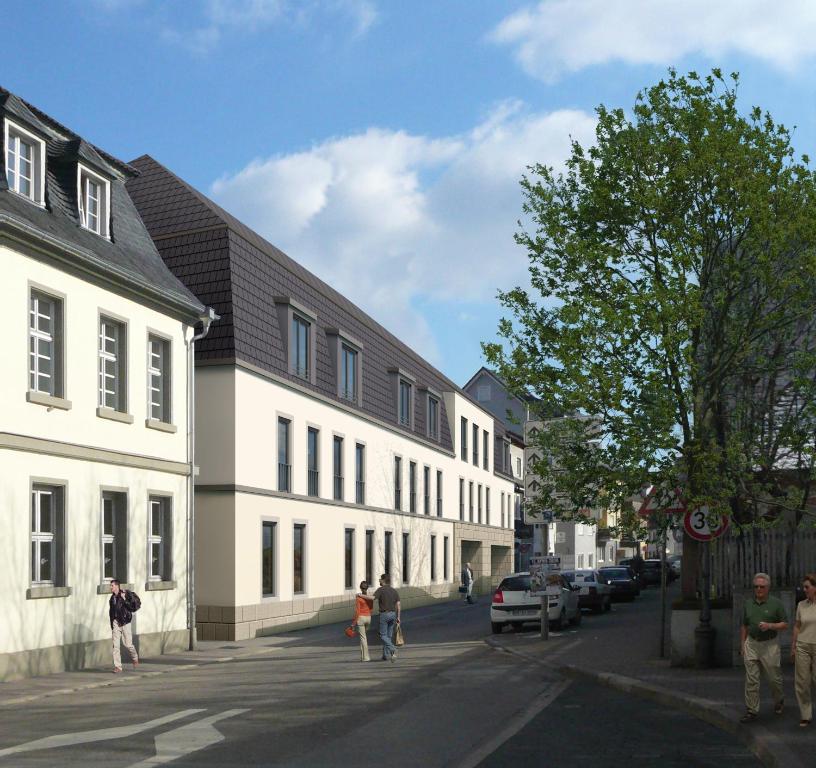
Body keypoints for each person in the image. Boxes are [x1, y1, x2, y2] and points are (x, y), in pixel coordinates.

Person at [739, 572, 788, 723]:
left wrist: (770, 625)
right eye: (756, 587)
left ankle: (779, 699)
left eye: (762, 587)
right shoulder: (748, 603)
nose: (759, 589)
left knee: (774, 678)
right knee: (752, 679)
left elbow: (785, 624)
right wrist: (743, 644)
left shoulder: (776, 604)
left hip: (769, 645)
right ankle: (751, 709)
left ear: (768, 588)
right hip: (752, 643)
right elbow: (744, 625)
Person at [791, 573, 816, 727]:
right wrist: (793, 646)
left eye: (807, 587)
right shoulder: (801, 605)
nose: (804, 589)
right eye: (804, 587)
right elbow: (797, 626)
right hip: (802, 646)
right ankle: (805, 714)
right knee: (802, 682)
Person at [109, 579, 139, 673]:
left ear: (117, 586)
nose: (111, 587)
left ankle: (135, 658)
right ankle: (118, 667)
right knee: (116, 646)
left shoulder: (125, 594)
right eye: (111, 586)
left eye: (112, 586)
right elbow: (111, 612)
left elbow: (132, 607)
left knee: (128, 644)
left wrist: (125, 600)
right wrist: (112, 624)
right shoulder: (112, 598)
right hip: (116, 623)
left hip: (125, 622)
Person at [372, 573, 400, 662]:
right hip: (393, 614)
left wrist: (362, 596)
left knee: (383, 635)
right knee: (388, 636)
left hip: (384, 614)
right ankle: (385, 655)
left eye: (380, 579)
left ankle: (393, 648)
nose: (379, 580)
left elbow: (372, 598)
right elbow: (398, 605)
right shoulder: (394, 591)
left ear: (383, 580)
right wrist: (398, 617)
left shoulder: (381, 590)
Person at [353, 580, 373, 662]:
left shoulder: (359, 598)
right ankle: (362, 656)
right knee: (363, 637)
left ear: (360, 588)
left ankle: (366, 657)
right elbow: (371, 609)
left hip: (361, 618)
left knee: (363, 638)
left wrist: (353, 623)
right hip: (368, 617)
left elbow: (357, 611)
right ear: (367, 588)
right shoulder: (370, 598)